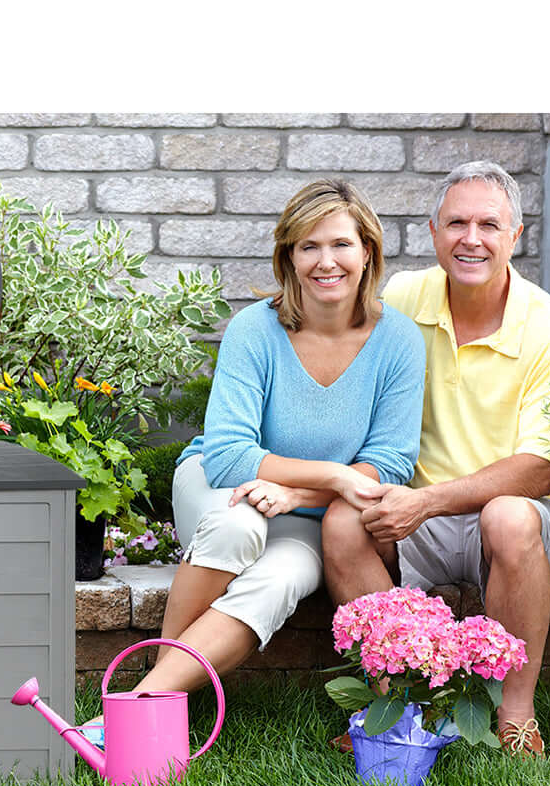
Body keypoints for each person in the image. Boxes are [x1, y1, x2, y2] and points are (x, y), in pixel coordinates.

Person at [80, 178, 425, 745]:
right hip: (220, 487)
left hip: (310, 512)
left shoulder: (400, 341)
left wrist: (300, 493)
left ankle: (138, 707)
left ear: (368, 251)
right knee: (239, 525)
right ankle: (159, 707)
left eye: (340, 244)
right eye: (307, 246)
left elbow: (388, 464)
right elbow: (229, 456)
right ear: (288, 257)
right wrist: (332, 476)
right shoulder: (255, 329)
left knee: (280, 579)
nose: (325, 261)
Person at [321, 160, 550, 757]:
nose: (472, 238)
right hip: (419, 514)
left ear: (516, 236)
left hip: (525, 519)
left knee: (508, 516)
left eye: (490, 225)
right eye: (457, 222)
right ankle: (397, 710)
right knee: (342, 522)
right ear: (434, 230)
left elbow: (539, 469)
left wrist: (427, 500)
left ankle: (514, 718)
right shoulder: (400, 299)